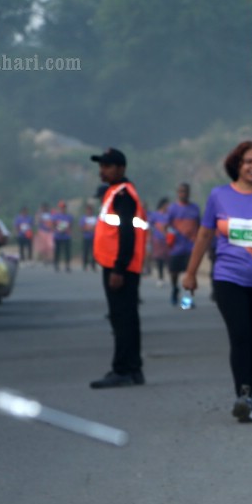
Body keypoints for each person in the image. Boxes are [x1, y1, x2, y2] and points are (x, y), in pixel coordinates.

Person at [182, 141, 252, 422]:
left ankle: (251, 391)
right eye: (248, 162)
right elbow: (205, 235)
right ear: (237, 165)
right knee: (241, 335)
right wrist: (191, 272)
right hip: (228, 278)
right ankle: (242, 394)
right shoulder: (219, 196)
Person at [89, 147, 147, 389]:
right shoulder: (115, 192)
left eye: (107, 166)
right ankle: (133, 370)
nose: (102, 170)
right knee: (126, 318)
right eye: (101, 166)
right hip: (118, 265)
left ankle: (122, 370)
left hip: (120, 267)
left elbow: (126, 233)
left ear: (121, 168)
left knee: (122, 319)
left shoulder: (123, 194)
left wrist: (119, 269)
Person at [166, 183, 200, 306]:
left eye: (185, 191)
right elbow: (167, 226)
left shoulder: (194, 208)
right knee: (174, 272)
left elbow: (200, 225)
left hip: (191, 246)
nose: (183, 194)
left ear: (189, 193)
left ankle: (188, 299)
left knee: (190, 273)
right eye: (180, 191)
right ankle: (175, 288)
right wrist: (170, 236)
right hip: (176, 246)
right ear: (177, 193)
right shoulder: (172, 208)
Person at [147, 198, 170, 284]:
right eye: (167, 205)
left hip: (167, 240)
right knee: (159, 258)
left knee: (167, 258)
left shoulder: (168, 215)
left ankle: (169, 274)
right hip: (157, 239)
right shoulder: (155, 215)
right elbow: (150, 225)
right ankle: (160, 277)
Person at [51, 201, 74, 272]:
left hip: (66, 236)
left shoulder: (69, 216)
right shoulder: (56, 216)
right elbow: (53, 225)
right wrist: (58, 229)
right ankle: (56, 264)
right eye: (61, 207)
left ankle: (67, 265)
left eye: (64, 207)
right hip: (58, 236)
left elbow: (70, 225)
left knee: (67, 252)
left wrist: (66, 229)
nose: (62, 209)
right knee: (57, 251)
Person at [79, 202, 97, 270]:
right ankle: (85, 265)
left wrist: (92, 228)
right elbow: (81, 227)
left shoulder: (95, 218)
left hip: (94, 237)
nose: (89, 211)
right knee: (85, 251)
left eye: (90, 210)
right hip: (86, 237)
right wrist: (87, 228)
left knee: (93, 252)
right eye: (88, 210)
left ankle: (93, 265)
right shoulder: (83, 218)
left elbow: (97, 227)